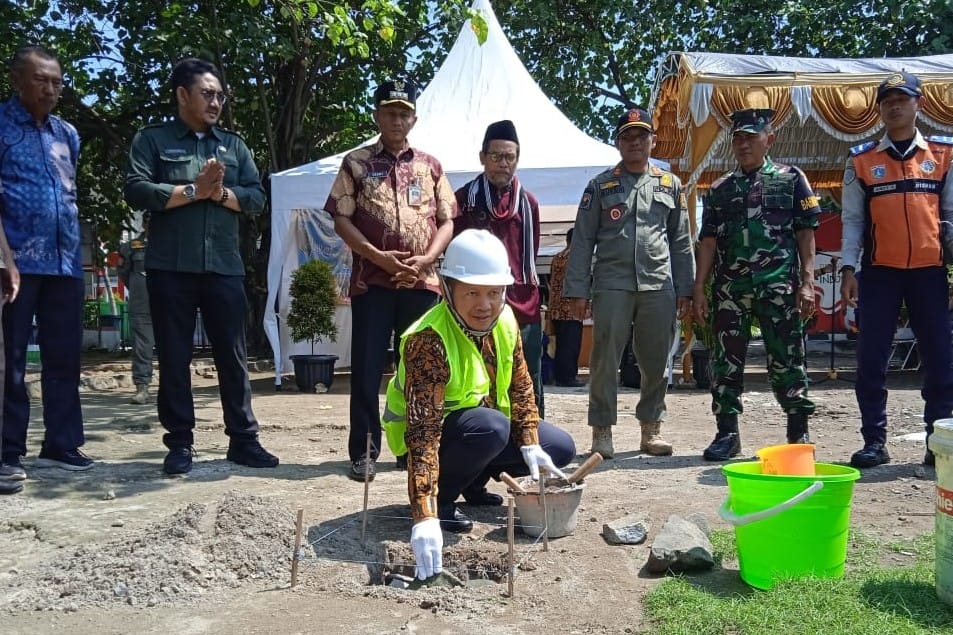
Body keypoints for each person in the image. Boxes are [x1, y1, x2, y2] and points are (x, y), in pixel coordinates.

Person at [381, 230, 575, 578]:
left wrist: (530, 442)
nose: (484, 304)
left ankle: (472, 483)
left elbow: (520, 384)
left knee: (559, 447)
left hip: (480, 433)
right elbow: (423, 435)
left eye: (494, 293)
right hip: (430, 442)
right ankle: (443, 501)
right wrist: (424, 514)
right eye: (472, 292)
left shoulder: (505, 320)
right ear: (448, 288)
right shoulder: (428, 339)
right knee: (491, 427)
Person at [124, 57, 278, 475]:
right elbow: (135, 188)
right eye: (208, 94)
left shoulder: (233, 145)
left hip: (224, 267)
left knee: (233, 355)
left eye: (220, 96)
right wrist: (193, 189)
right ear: (182, 95)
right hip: (170, 267)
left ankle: (244, 440)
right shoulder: (153, 140)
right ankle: (179, 444)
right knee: (174, 357)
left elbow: (257, 198)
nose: (216, 102)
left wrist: (219, 194)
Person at [326, 79, 457, 482]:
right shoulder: (356, 163)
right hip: (372, 282)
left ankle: (412, 446)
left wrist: (428, 259)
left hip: (421, 283)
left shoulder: (431, 166)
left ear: (414, 118)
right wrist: (378, 256)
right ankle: (364, 452)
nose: (397, 119)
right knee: (366, 368)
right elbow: (341, 217)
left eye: (404, 112)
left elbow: (448, 219)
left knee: (417, 368)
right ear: (377, 115)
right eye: (389, 111)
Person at [563, 107, 694, 459]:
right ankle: (602, 432)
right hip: (611, 284)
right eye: (627, 136)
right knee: (605, 358)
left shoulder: (671, 184)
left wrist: (687, 289)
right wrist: (576, 289)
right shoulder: (600, 186)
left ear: (653, 140)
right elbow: (582, 241)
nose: (634, 142)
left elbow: (681, 241)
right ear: (618, 142)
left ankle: (651, 429)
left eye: (641, 136)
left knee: (655, 360)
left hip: (658, 284)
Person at [839, 71, 953, 468]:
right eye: (887, 100)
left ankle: (937, 444)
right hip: (879, 273)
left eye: (902, 98)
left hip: (930, 272)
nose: (894, 105)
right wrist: (849, 268)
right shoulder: (862, 159)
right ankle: (874, 441)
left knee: (940, 359)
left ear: (918, 103)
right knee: (871, 360)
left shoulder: (943, 154)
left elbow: (951, 216)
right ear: (880, 109)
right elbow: (852, 221)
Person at [694, 108, 820, 461]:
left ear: (770, 139)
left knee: (787, 356)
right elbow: (708, 242)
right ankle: (727, 434)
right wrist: (699, 287)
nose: (744, 143)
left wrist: (808, 282)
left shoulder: (792, 179)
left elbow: (806, 234)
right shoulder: (720, 189)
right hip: (730, 288)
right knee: (725, 361)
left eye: (751, 136)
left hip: (778, 285)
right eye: (738, 137)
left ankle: (798, 434)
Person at [0, 45, 92, 476]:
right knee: (10, 361)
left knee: (64, 358)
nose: (51, 89)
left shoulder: (67, 134)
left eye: (57, 81)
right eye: (41, 79)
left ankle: (61, 443)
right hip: (14, 264)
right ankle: (6, 452)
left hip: (65, 263)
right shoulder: (1, 126)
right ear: (17, 80)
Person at [454, 120, 545, 414]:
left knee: (527, 375)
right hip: (477, 304)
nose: (503, 164)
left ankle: (534, 438)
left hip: (522, 301)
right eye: (496, 156)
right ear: (482, 157)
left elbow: (531, 252)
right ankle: (485, 441)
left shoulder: (527, 203)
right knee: (480, 376)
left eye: (510, 157)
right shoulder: (464, 200)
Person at [116, 214, 154, 404]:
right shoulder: (131, 247)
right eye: (149, 221)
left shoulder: (174, 245)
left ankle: (175, 390)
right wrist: (138, 287)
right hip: (141, 305)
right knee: (142, 347)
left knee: (175, 347)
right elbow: (123, 273)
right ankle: (142, 387)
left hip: (170, 304)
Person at [547, 228, 587, 387]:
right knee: (570, 346)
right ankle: (568, 378)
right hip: (571, 309)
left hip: (556, 308)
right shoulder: (575, 258)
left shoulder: (557, 257)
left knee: (560, 345)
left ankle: (559, 375)